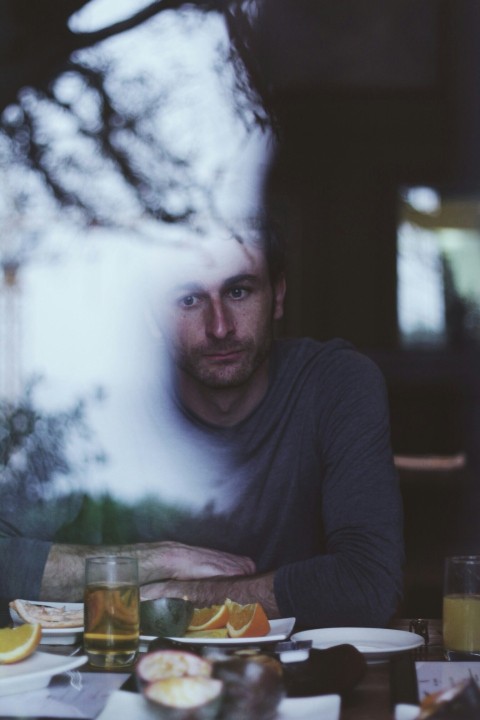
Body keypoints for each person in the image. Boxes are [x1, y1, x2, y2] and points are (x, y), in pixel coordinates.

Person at [0, 223, 403, 629]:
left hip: (294, 680)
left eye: (239, 291)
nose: (220, 327)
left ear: (277, 296)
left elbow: (370, 586)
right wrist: (160, 560)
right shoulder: (102, 403)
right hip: (122, 678)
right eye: (189, 299)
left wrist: (180, 595)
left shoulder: (334, 384)